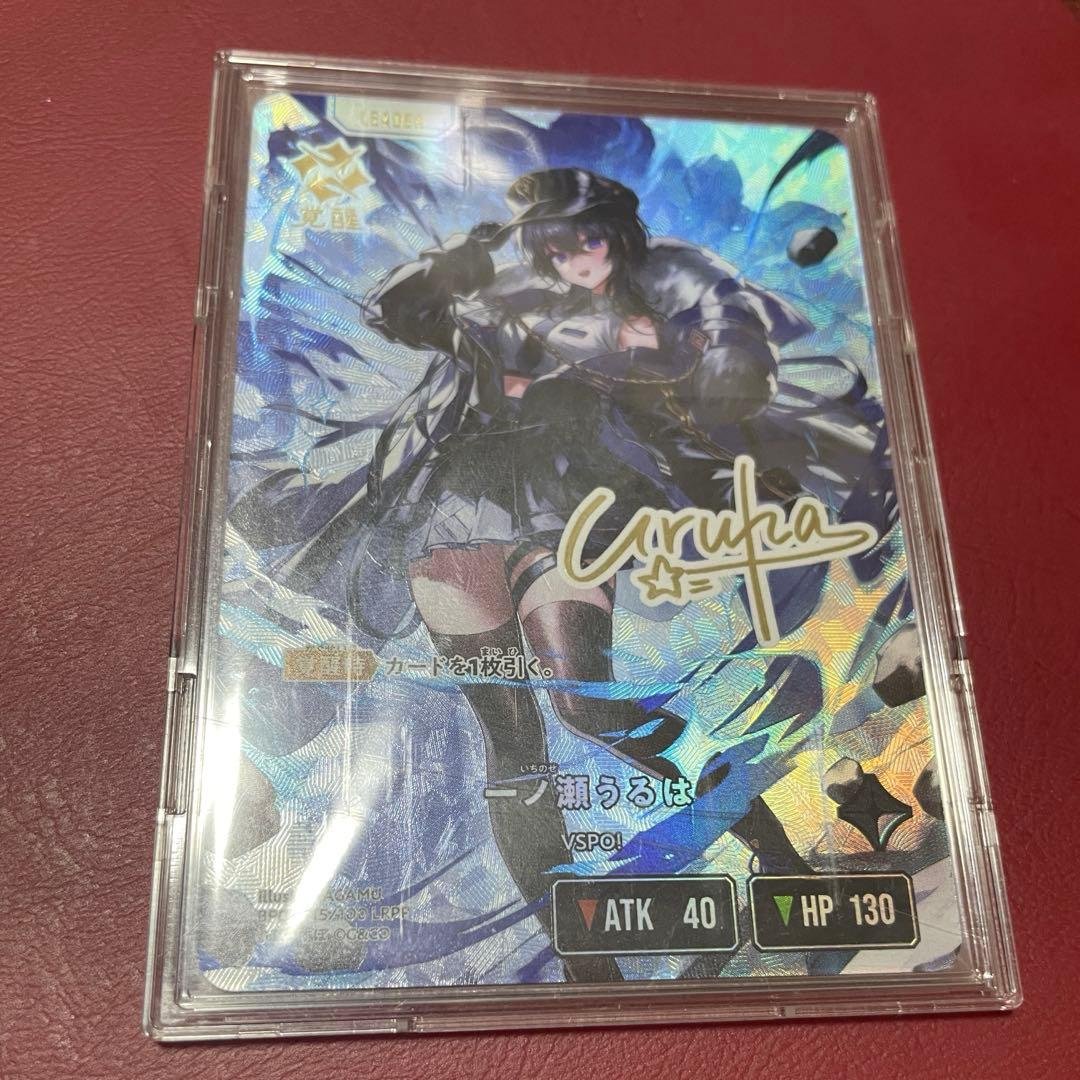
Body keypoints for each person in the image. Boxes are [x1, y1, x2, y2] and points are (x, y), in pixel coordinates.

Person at [237, 168, 843, 981]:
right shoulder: (491, 304)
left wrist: (739, 478)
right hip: (453, 520)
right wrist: (474, 254)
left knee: (586, 704)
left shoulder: (638, 326)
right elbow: (401, 309)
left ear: (618, 237)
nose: (574, 255)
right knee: (513, 742)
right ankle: (586, 962)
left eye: (588, 237)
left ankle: (779, 860)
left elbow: (674, 421)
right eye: (555, 243)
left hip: (561, 516)